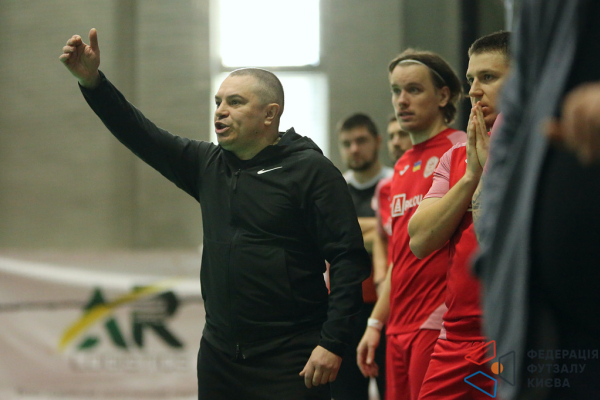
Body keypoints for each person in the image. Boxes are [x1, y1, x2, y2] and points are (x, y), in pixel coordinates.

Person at [59, 29, 371, 400]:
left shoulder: (311, 172)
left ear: (269, 114)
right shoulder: (207, 164)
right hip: (220, 357)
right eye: (219, 101)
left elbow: (348, 259)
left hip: (292, 355)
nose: (221, 110)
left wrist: (332, 342)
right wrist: (92, 82)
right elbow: (140, 133)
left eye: (235, 102)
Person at [473, 1, 600, 399]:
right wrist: (496, 247)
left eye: (487, 76)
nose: (474, 90)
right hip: (543, 321)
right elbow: (518, 116)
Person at [356, 49, 465, 400]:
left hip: (437, 322)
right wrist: (376, 323)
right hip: (397, 326)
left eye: (414, 90)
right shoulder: (401, 166)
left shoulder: (460, 149)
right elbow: (399, 259)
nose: (401, 100)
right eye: (395, 90)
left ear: (443, 96)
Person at [407, 31, 510, 400]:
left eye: (489, 77)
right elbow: (419, 240)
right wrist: (471, 176)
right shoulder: (456, 157)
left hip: (513, 332)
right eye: (471, 79)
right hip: (457, 335)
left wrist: (489, 173)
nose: (474, 91)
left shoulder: (542, 151)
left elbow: (496, 246)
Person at [332, 113, 392, 399]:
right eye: (347, 143)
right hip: (345, 308)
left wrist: (355, 229)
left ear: (378, 141)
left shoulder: (396, 183)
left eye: (361, 141)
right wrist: (378, 229)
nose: (354, 149)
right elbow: (330, 238)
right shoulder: (335, 189)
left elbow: (400, 237)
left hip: (388, 306)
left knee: (392, 390)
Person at [371, 114, 412, 293]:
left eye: (402, 134)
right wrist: (380, 279)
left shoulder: (433, 178)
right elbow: (380, 236)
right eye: (391, 136)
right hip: (392, 289)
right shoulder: (384, 188)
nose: (395, 142)